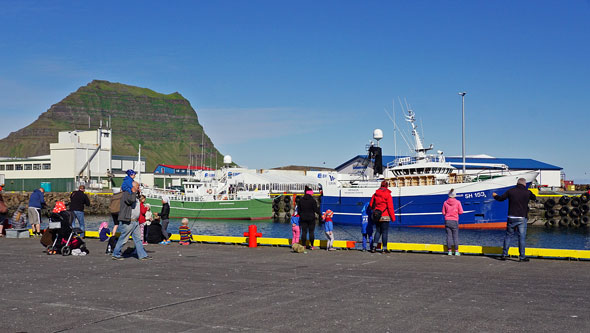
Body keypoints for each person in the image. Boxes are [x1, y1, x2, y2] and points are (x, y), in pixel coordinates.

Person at [493, 178, 536, 262]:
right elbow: (534, 197)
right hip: (521, 218)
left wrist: (495, 196)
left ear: (517, 183)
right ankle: (522, 257)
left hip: (511, 217)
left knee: (508, 236)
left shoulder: (511, 191)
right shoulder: (527, 192)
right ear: (524, 184)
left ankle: (504, 255)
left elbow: (501, 198)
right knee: (521, 237)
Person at [111, 181, 151, 260]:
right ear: (133, 187)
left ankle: (142, 255)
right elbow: (130, 201)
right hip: (128, 220)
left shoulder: (134, 195)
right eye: (137, 187)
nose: (138, 188)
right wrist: (133, 192)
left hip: (135, 221)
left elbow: (137, 201)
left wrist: (138, 193)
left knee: (138, 239)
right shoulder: (127, 194)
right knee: (123, 238)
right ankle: (116, 254)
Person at [369, 181, 395, 253]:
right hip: (385, 216)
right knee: (384, 232)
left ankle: (374, 247)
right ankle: (384, 249)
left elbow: (371, 205)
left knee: (377, 231)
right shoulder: (388, 195)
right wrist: (393, 218)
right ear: (387, 186)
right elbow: (390, 207)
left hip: (377, 216)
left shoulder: (375, 194)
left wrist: (375, 210)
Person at [442, 189, 464, 256]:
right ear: (455, 195)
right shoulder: (458, 202)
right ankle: (456, 251)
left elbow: (443, 212)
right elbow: (461, 212)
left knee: (449, 236)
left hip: (447, 221)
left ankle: (449, 251)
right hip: (454, 220)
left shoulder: (445, 202)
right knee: (455, 236)